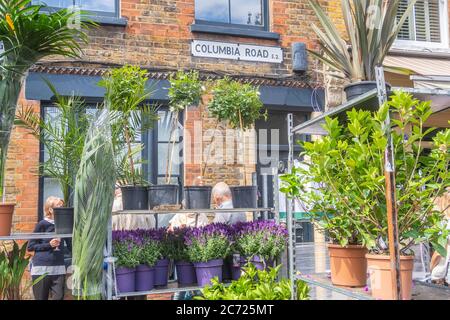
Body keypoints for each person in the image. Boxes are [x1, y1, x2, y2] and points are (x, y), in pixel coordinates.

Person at [27, 196, 71, 300]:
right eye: (59, 207)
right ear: (50, 210)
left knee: (59, 297)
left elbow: (71, 246)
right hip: (41, 269)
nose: (62, 209)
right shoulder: (42, 224)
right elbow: (30, 246)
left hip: (58, 268)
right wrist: (49, 245)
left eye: (62, 206)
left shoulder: (64, 225)